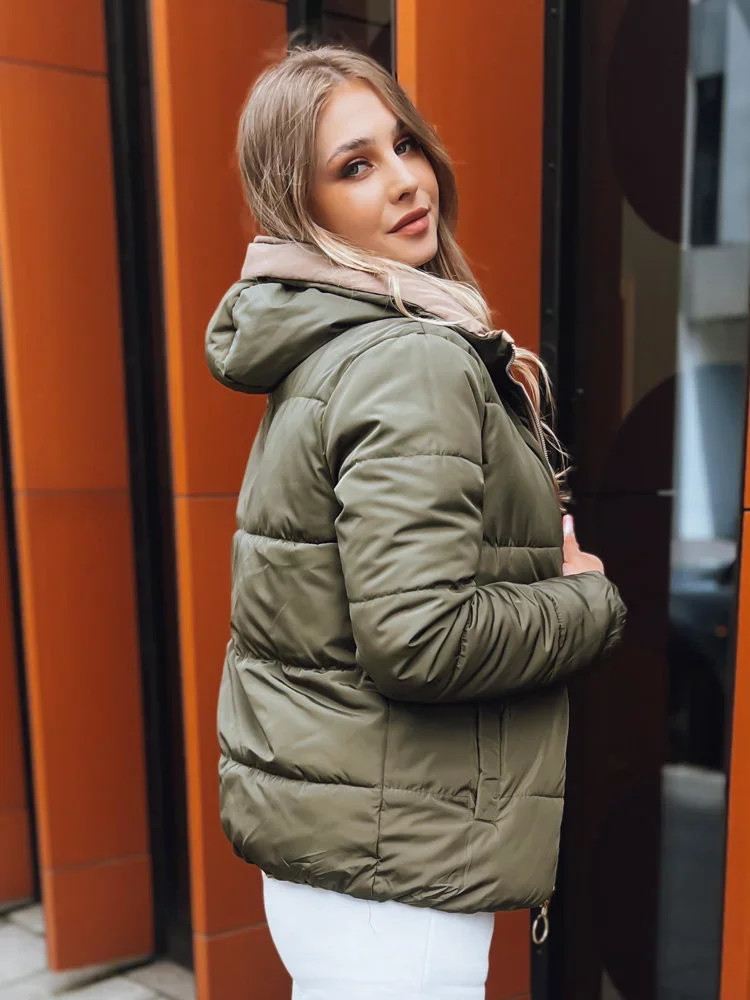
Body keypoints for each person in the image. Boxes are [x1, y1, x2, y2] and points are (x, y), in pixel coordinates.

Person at [205, 42, 627, 1000]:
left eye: (403, 144)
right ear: (302, 209)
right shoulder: (408, 359)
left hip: (346, 855)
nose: (404, 179)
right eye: (354, 167)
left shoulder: (330, 351)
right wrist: (587, 600)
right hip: (396, 878)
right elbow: (422, 640)